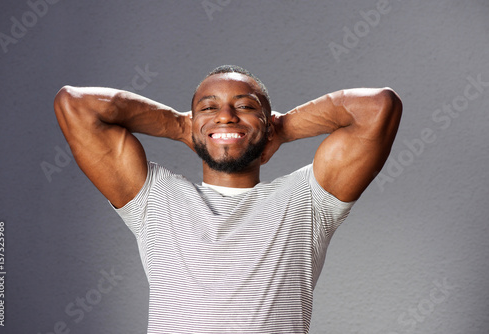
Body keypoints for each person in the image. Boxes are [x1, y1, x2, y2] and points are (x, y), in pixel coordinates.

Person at [54, 65, 402, 333]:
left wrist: (280, 128)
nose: (225, 115)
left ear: (266, 123)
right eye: (209, 108)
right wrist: (178, 125)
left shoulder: (307, 201)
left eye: (245, 107)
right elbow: (76, 105)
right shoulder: (154, 197)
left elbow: (378, 107)